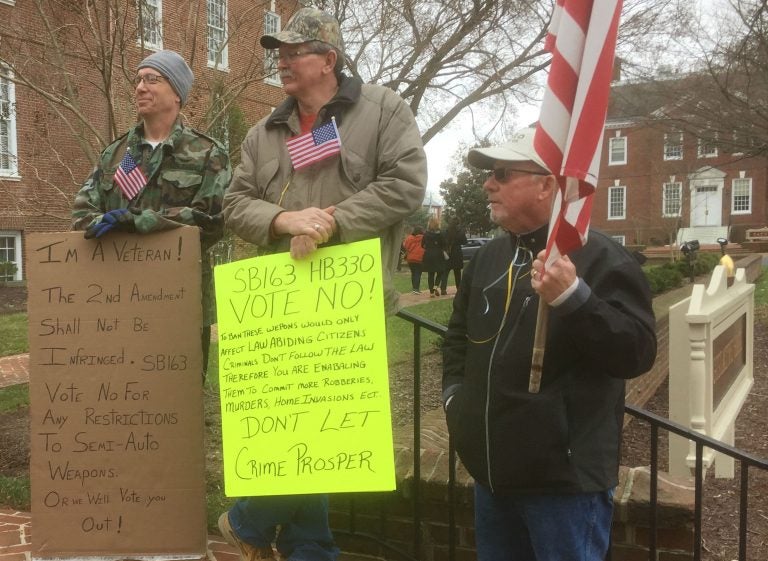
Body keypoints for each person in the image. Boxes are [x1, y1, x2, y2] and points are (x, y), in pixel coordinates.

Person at [219, 7, 427, 561]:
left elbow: (406, 185)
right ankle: (313, 547)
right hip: (278, 306)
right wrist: (284, 220)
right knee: (295, 429)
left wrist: (332, 220)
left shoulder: (383, 110)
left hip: (347, 305)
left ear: (328, 60)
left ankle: (249, 520)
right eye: (279, 54)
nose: (282, 63)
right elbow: (234, 203)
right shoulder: (264, 132)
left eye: (294, 53)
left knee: (327, 427)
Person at [441, 128, 657, 561]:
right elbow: (458, 340)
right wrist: (455, 402)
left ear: (547, 184)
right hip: (492, 476)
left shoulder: (601, 257)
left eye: (502, 173)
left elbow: (636, 352)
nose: (488, 184)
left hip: (562, 484)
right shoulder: (487, 258)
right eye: (489, 174)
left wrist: (574, 299)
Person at [71, 50, 231, 378]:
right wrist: (98, 222)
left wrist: (141, 221)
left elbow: (213, 222)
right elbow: (82, 210)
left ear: (176, 92)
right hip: (117, 299)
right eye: (138, 80)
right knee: (122, 394)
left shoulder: (208, 153)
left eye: (152, 79)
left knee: (176, 401)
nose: (140, 87)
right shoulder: (117, 153)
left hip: (181, 301)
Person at [421, 216, 447, 297]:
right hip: (438, 255)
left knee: (430, 274)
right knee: (440, 272)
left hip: (428, 255)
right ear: (437, 224)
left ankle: (431, 292)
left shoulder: (426, 234)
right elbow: (444, 244)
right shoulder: (441, 234)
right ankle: (435, 287)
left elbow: (422, 245)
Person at [443, 221, 467, 291]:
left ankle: (443, 289)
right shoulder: (460, 232)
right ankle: (458, 288)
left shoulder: (446, 232)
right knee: (457, 273)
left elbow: (443, 241)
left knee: (445, 272)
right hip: (457, 253)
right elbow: (465, 242)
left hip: (448, 253)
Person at [402, 225, 425, 293]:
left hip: (410, 258)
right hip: (419, 258)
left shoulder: (409, 238)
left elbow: (405, 246)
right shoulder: (423, 238)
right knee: (418, 273)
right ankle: (416, 289)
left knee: (413, 273)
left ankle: (414, 288)